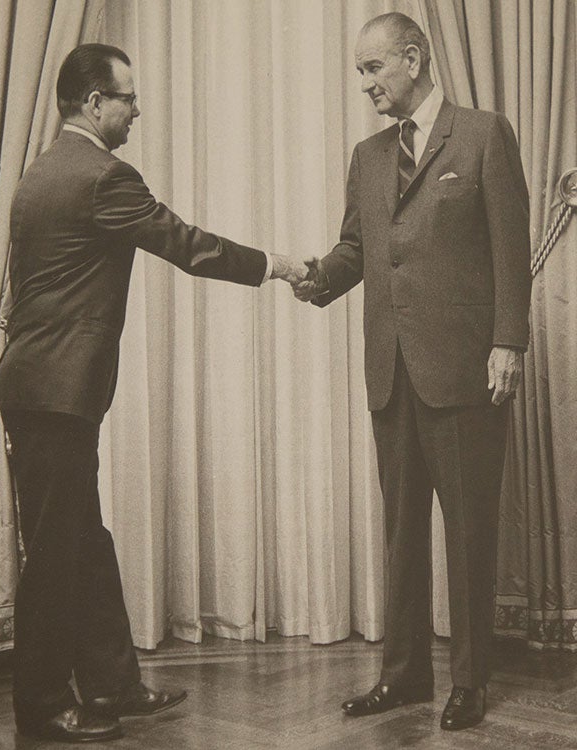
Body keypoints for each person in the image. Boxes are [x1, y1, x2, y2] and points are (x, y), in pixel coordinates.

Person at [0, 43, 306, 743]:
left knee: (83, 539)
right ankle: (42, 706)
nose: (137, 110)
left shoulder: (41, 171)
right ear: (94, 102)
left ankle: (113, 684)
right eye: (128, 98)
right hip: (56, 394)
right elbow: (187, 245)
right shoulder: (105, 176)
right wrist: (276, 265)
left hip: (39, 390)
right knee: (57, 551)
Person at [293, 12, 531, 731]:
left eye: (373, 69)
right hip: (391, 373)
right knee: (401, 532)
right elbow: (356, 249)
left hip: (464, 372)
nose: (365, 84)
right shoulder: (368, 156)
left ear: (413, 58)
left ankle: (469, 682)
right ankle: (402, 677)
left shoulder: (484, 135)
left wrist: (508, 343)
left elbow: (510, 249)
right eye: (360, 72)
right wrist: (315, 275)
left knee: (469, 531)